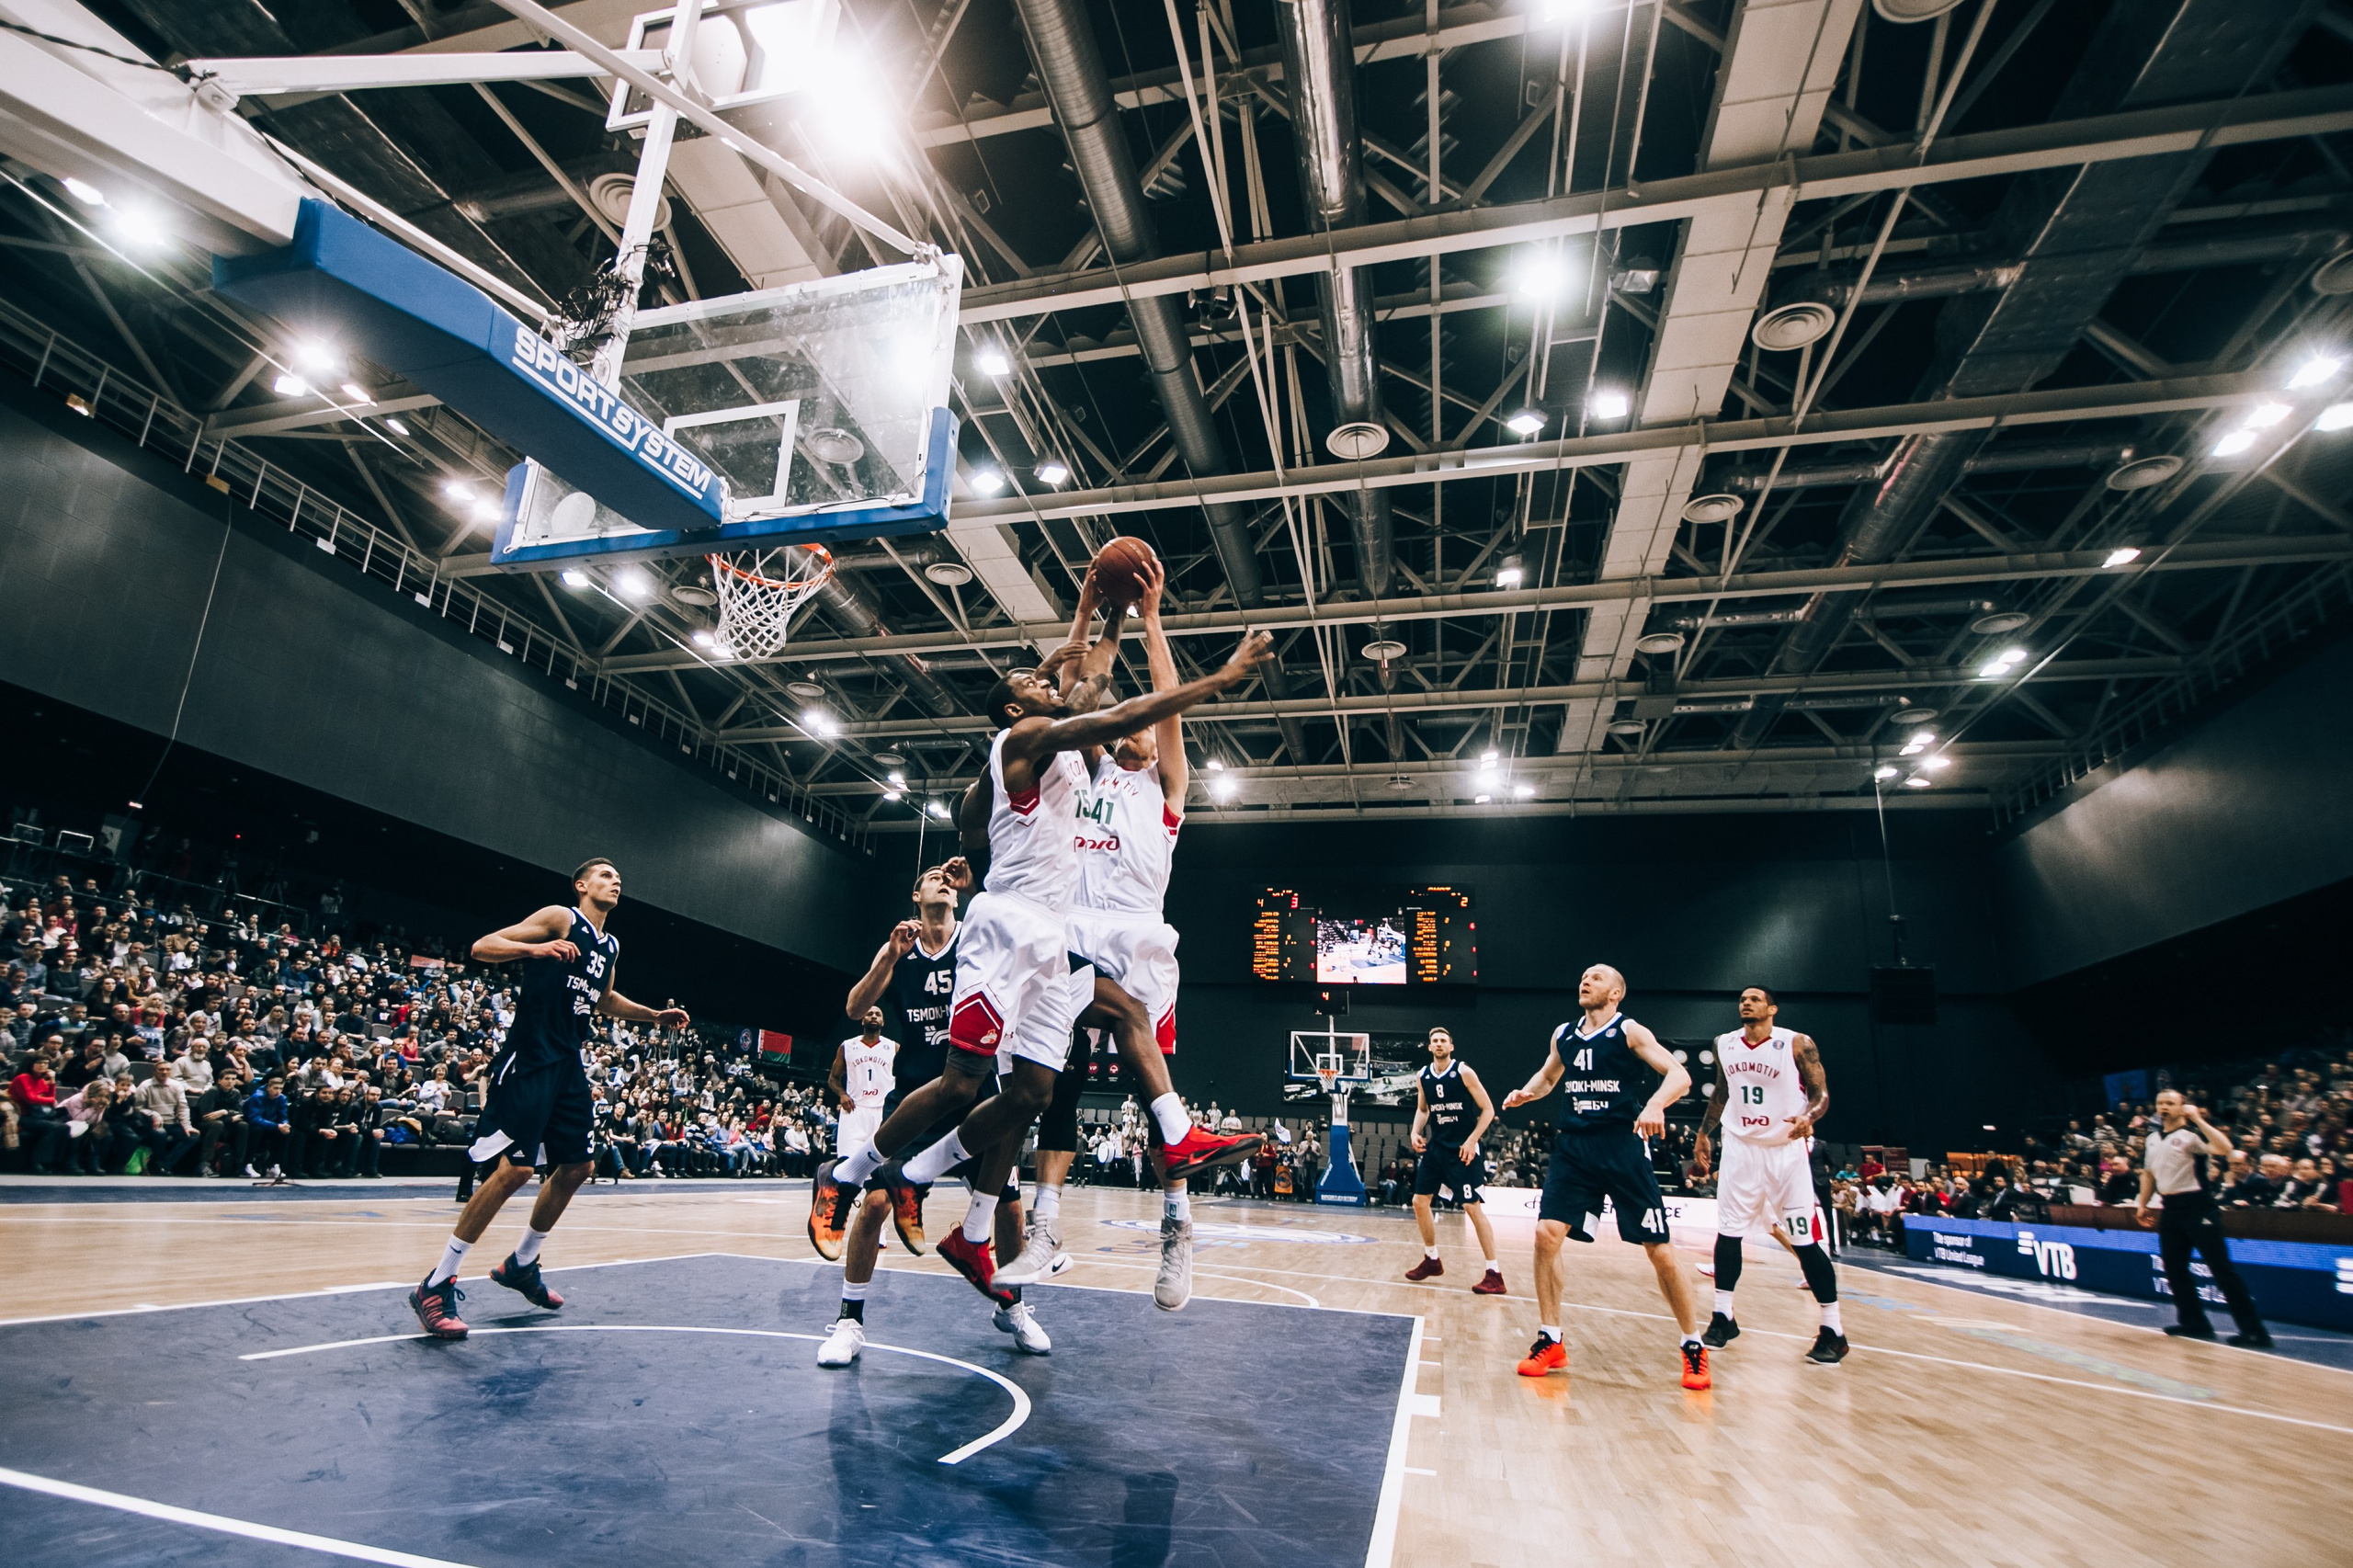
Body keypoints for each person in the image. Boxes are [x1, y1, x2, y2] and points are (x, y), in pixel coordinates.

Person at [814, 597, 1274, 1303]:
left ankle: (949, 1201)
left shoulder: (1111, 767)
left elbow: (1089, 689)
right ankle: (859, 1175)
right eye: (1028, 684)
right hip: (1025, 929)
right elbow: (1105, 709)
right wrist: (1220, 676)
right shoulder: (1039, 744)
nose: (1044, 681)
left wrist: (1106, 614)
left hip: (1074, 936)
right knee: (973, 1084)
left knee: (1032, 1090)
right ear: (1014, 714)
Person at [1003, 556, 1262, 1310]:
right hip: (1073, 930)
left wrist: (1153, 618)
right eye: (1132, 722)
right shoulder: (1084, 769)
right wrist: (1088, 612)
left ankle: (1177, 1230)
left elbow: (1166, 701)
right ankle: (1046, 1224)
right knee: (1060, 1083)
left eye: (1150, 724)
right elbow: (1075, 693)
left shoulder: (1167, 790)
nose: (1140, 727)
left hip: (1141, 939)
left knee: (1158, 1100)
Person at [407, 858, 689, 1339]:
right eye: (605, 875)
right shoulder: (561, 917)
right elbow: (483, 947)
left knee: (579, 1168)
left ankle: (521, 1264)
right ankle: (435, 1283)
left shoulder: (610, 943)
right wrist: (534, 950)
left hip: (567, 1062)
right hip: (530, 1056)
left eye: (619, 876)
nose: (615, 880)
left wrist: (653, 1015)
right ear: (581, 885)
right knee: (515, 1170)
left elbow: (604, 998)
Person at [814, 867, 1047, 1363]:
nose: (942, 879)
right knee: (876, 1203)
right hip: (918, 1101)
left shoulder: (977, 939)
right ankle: (848, 1321)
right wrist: (888, 957)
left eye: (948, 877)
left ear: (959, 898)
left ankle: (1012, 1306)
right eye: (930, 876)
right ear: (915, 894)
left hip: (978, 1093)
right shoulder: (902, 951)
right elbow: (856, 1008)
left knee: (1008, 1209)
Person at [1502, 964, 1710, 1391]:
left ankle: (1693, 1345)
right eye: (1583, 976)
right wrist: (1528, 1092)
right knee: (1546, 1234)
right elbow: (1548, 1076)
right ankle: (1551, 1339)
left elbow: (1680, 1076)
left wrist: (1654, 1106)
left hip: (1622, 1146)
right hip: (1574, 1148)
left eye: (1596, 977)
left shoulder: (1628, 1031)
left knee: (1660, 1252)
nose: (1586, 980)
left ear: (1615, 992)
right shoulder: (1564, 1034)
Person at [1691, 986, 1847, 1365]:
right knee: (1728, 1232)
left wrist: (1809, 1117)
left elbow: (1821, 1093)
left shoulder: (1796, 1043)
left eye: (1755, 999)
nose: (1746, 1002)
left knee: (1803, 1239)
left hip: (1784, 1150)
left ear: (1772, 1008)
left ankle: (1833, 1329)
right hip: (1740, 1148)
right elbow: (1723, 1092)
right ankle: (1722, 1316)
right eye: (1743, 998)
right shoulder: (1725, 1043)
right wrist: (1702, 1134)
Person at [2137, 1089, 2270, 1347]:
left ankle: (2254, 1331)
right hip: (2170, 1207)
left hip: (2198, 1207)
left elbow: (2225, 1148)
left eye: (2170, 1103)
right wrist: (2142, 1204)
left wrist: (2198, 1120)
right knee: (2174, 1268)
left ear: (2182, 1107)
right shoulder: (2152, 1138)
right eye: (2160, 1103)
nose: (2164, 1107)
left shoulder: (2192, 1136)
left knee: (2221, 1269)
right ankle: (2194, 1323)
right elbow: (2148, 1174)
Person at [1402, 1027, 1504, 1293]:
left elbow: (1488, 1109)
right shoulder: (1422, 1076)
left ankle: (1494, 1273)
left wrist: (1472, 1140)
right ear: (1429, 1047)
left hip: (1463, 1150)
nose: (1438, 1044)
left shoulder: (1463, 1072)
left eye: (1443, 1041)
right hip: (1437, 1149)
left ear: (1451, 1046)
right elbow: (1423, 1109)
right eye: (1434, 1041)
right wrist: (1415, 1131)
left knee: (1472, 1208)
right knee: (1419, 1202)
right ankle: (1431, 1259)